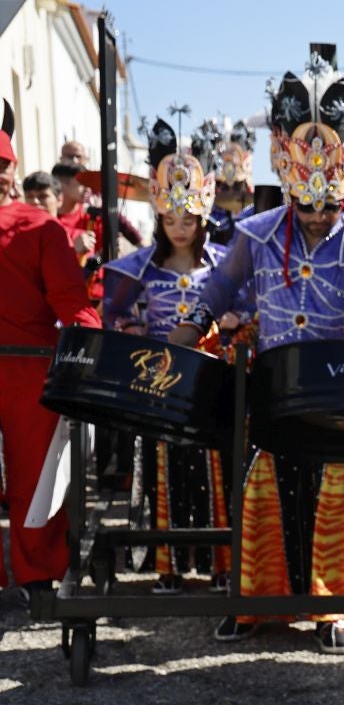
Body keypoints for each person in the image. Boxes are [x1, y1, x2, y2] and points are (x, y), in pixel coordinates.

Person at [167, 53, 344, 654]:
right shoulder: (256, 235)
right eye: (305, 204)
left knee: (335, 490)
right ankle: (256, 603)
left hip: (341, 400)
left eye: (327, 204)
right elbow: (216, 291)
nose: (315, 215)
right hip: (273, 394)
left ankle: (334, 608)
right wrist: (181, 339)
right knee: (264, 488)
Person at [101, 116, 230, 593]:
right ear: (158, 218)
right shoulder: (139, 269)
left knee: (216, 472)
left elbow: (245, 307)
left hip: (209, 387)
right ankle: (168, 567)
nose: (179, 227)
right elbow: (112, 315)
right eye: (171, 219)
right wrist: (135, 331)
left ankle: (220, 564)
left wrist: (228, 325)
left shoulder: (222, 268)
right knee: (162, 475)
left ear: (202, 219)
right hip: (157, 389)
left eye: (188, 219)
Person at [0, 124, 102, 609]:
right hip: (26, 367)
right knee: (30, 476)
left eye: (2, 168)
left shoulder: (40, 228)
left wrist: (88, 343)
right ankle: (33, 575)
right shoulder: (43, 228)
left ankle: (37, 575)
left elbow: (70, 300)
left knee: (33, 477)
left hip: (29, 369)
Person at [205, 117, 256, 245]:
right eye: (225, 188)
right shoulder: (207, 217)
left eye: (237, 187)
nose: (231, 193)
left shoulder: (257, 214)